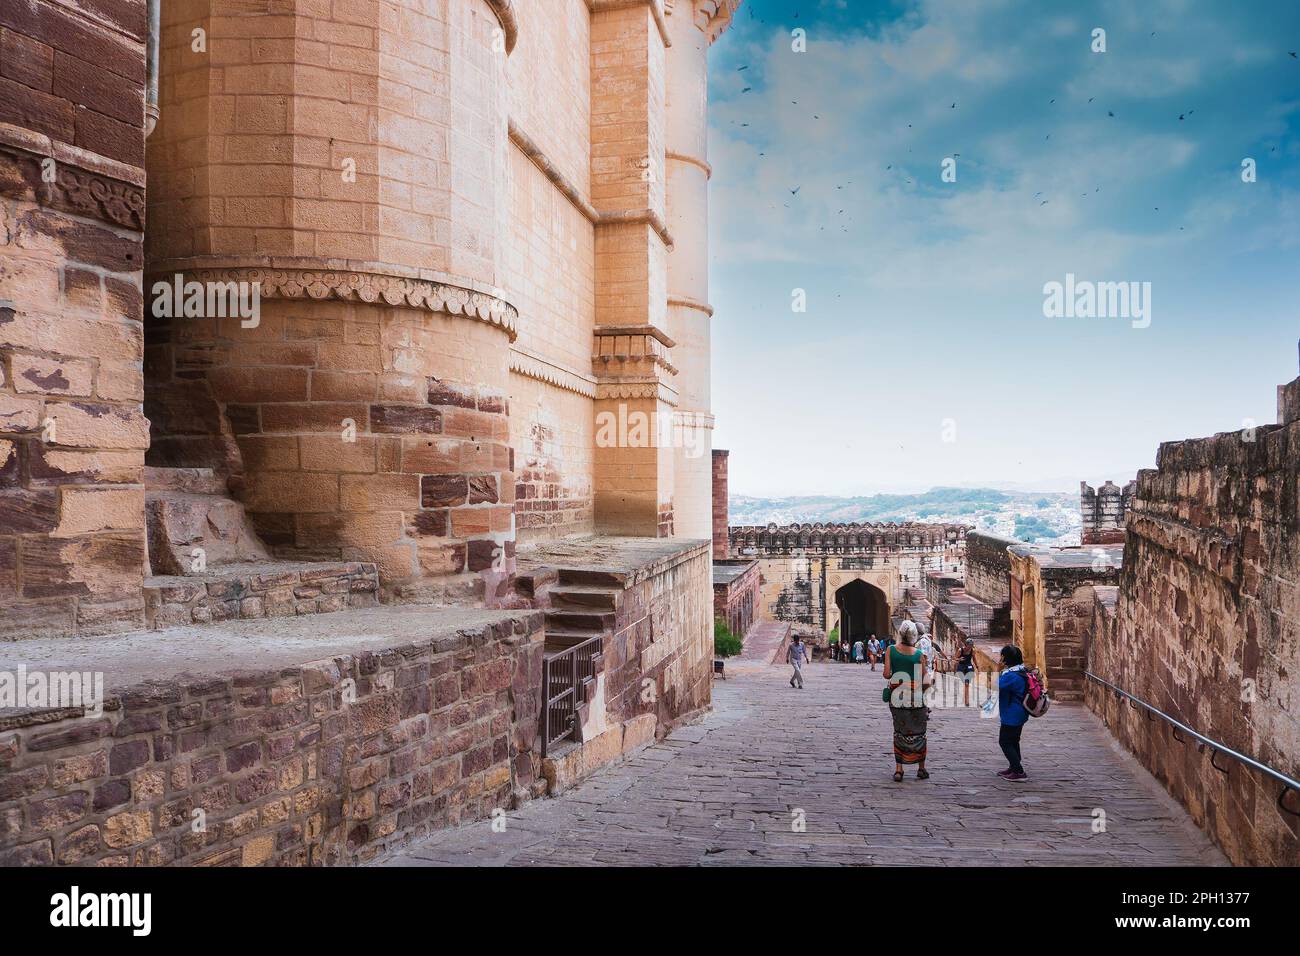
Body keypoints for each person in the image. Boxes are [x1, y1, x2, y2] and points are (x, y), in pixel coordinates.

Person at [883, 621, 929, 781]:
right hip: (916, 699)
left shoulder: (891, 650)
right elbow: (925, 680)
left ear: (900, 634)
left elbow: (887, 674)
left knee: (899, 732)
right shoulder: (918, 654)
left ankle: (899, 769)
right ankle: (921, 768)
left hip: (897, 698)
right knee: (920, 733)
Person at [997, 645, 1029, 781]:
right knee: (1014, 741)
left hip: (1012, 714)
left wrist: (997, 670)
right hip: (1020, 713)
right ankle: (1013, 766)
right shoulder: (1022, 671)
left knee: (1004, 742)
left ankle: (1019, 771)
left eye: (1002, 656)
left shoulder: (1010, 676)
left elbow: (995, 685)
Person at [955, 639, 976, 706]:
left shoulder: (972, 651)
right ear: (966, 645)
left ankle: (967, 701)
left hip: (968, 666)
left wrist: (977, 667)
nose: (970, 647)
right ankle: (965, 698)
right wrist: (959, 659)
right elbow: (955, 658)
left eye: (971, 645)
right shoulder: (960, 650)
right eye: (969, 645)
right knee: (965, 682)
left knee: (966, 684)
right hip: (961, 667)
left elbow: (974, 659)